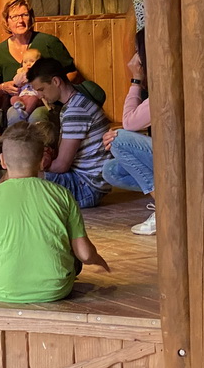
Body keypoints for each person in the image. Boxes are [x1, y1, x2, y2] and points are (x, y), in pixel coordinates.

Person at [0, 123, 109, 304]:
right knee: (70, 253)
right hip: (57, 289)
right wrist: (99, 260)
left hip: (5, 288)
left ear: (2, 161)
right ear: (43, 161)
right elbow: (85, 254)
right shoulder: (63, 194)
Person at [0, 0, 104, 127]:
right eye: (14, 16)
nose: (20, 20)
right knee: (14, 115)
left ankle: (44, 148)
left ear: (31, 17)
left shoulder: (48, 42)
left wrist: (52, 89)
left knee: (37, 116)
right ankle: (18, 146)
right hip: (18, 103)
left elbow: (72, 73)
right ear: (7, 22)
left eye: (24, 15)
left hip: (48, 104)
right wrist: (3, 87)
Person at [27, 57, 111, 208]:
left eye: (41, 89)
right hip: (86, 181)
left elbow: (61, 166)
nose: (39, 96)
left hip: (87, 187)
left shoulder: (75, 110)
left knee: (22, 174)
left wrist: (36, 166)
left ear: (56, 81)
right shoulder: (74, 104)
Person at [102, 52, 156, 235]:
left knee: (118, 139)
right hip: (171, 155)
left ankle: (165, 206)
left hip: (184, 156)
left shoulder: (167, 86)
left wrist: (136, 80)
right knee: (111, 170)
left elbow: (129, 123)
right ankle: (171, 200)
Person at [9, 47, 45, 122]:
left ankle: (26, 112)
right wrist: (25, 73)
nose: (28, 64)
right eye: (25, 62)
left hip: (34, 96)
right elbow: (16, 82)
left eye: (32, 61)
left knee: (33, 100)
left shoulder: (40, 73)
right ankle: (19, 106)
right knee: (13, 99)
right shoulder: (21, 72)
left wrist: (31, 74)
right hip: (22, 97)